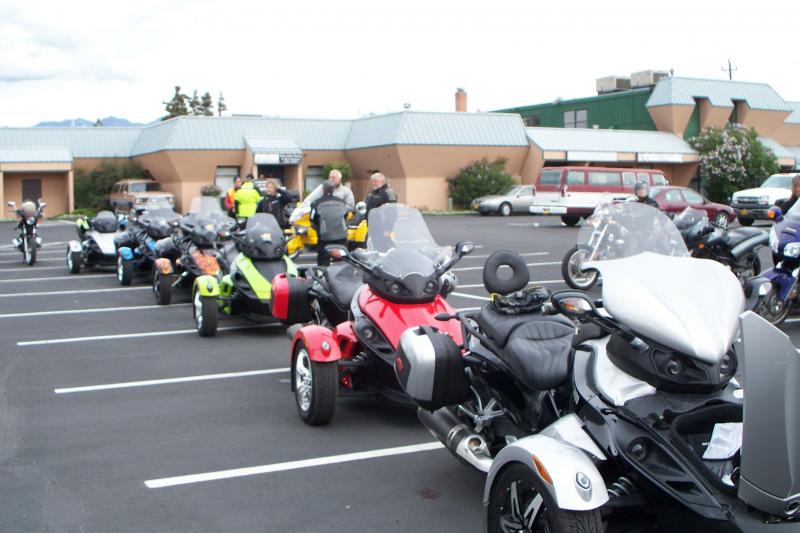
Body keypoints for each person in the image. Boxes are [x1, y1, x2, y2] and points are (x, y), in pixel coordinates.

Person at [290, 169, 354, 223]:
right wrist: (303, 205)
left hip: (338, 219)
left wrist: (336, 209)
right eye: (330, 177)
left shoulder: (346, 191)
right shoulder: (321, 189)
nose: (331, 179)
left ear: (340, 179)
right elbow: (312, 199)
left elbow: (350, 207)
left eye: (334, 178)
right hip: (323, 218)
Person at [311, 180, 349, 266]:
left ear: (323, 189)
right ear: (333, 190)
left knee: (323, 259)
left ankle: (324, 276)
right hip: (341, 234)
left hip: (325, 236)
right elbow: (345, 215)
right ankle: (342, 276)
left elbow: (313, 218)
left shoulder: (316, 202)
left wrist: (317, 229)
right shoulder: (341, 202)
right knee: (342, 258)